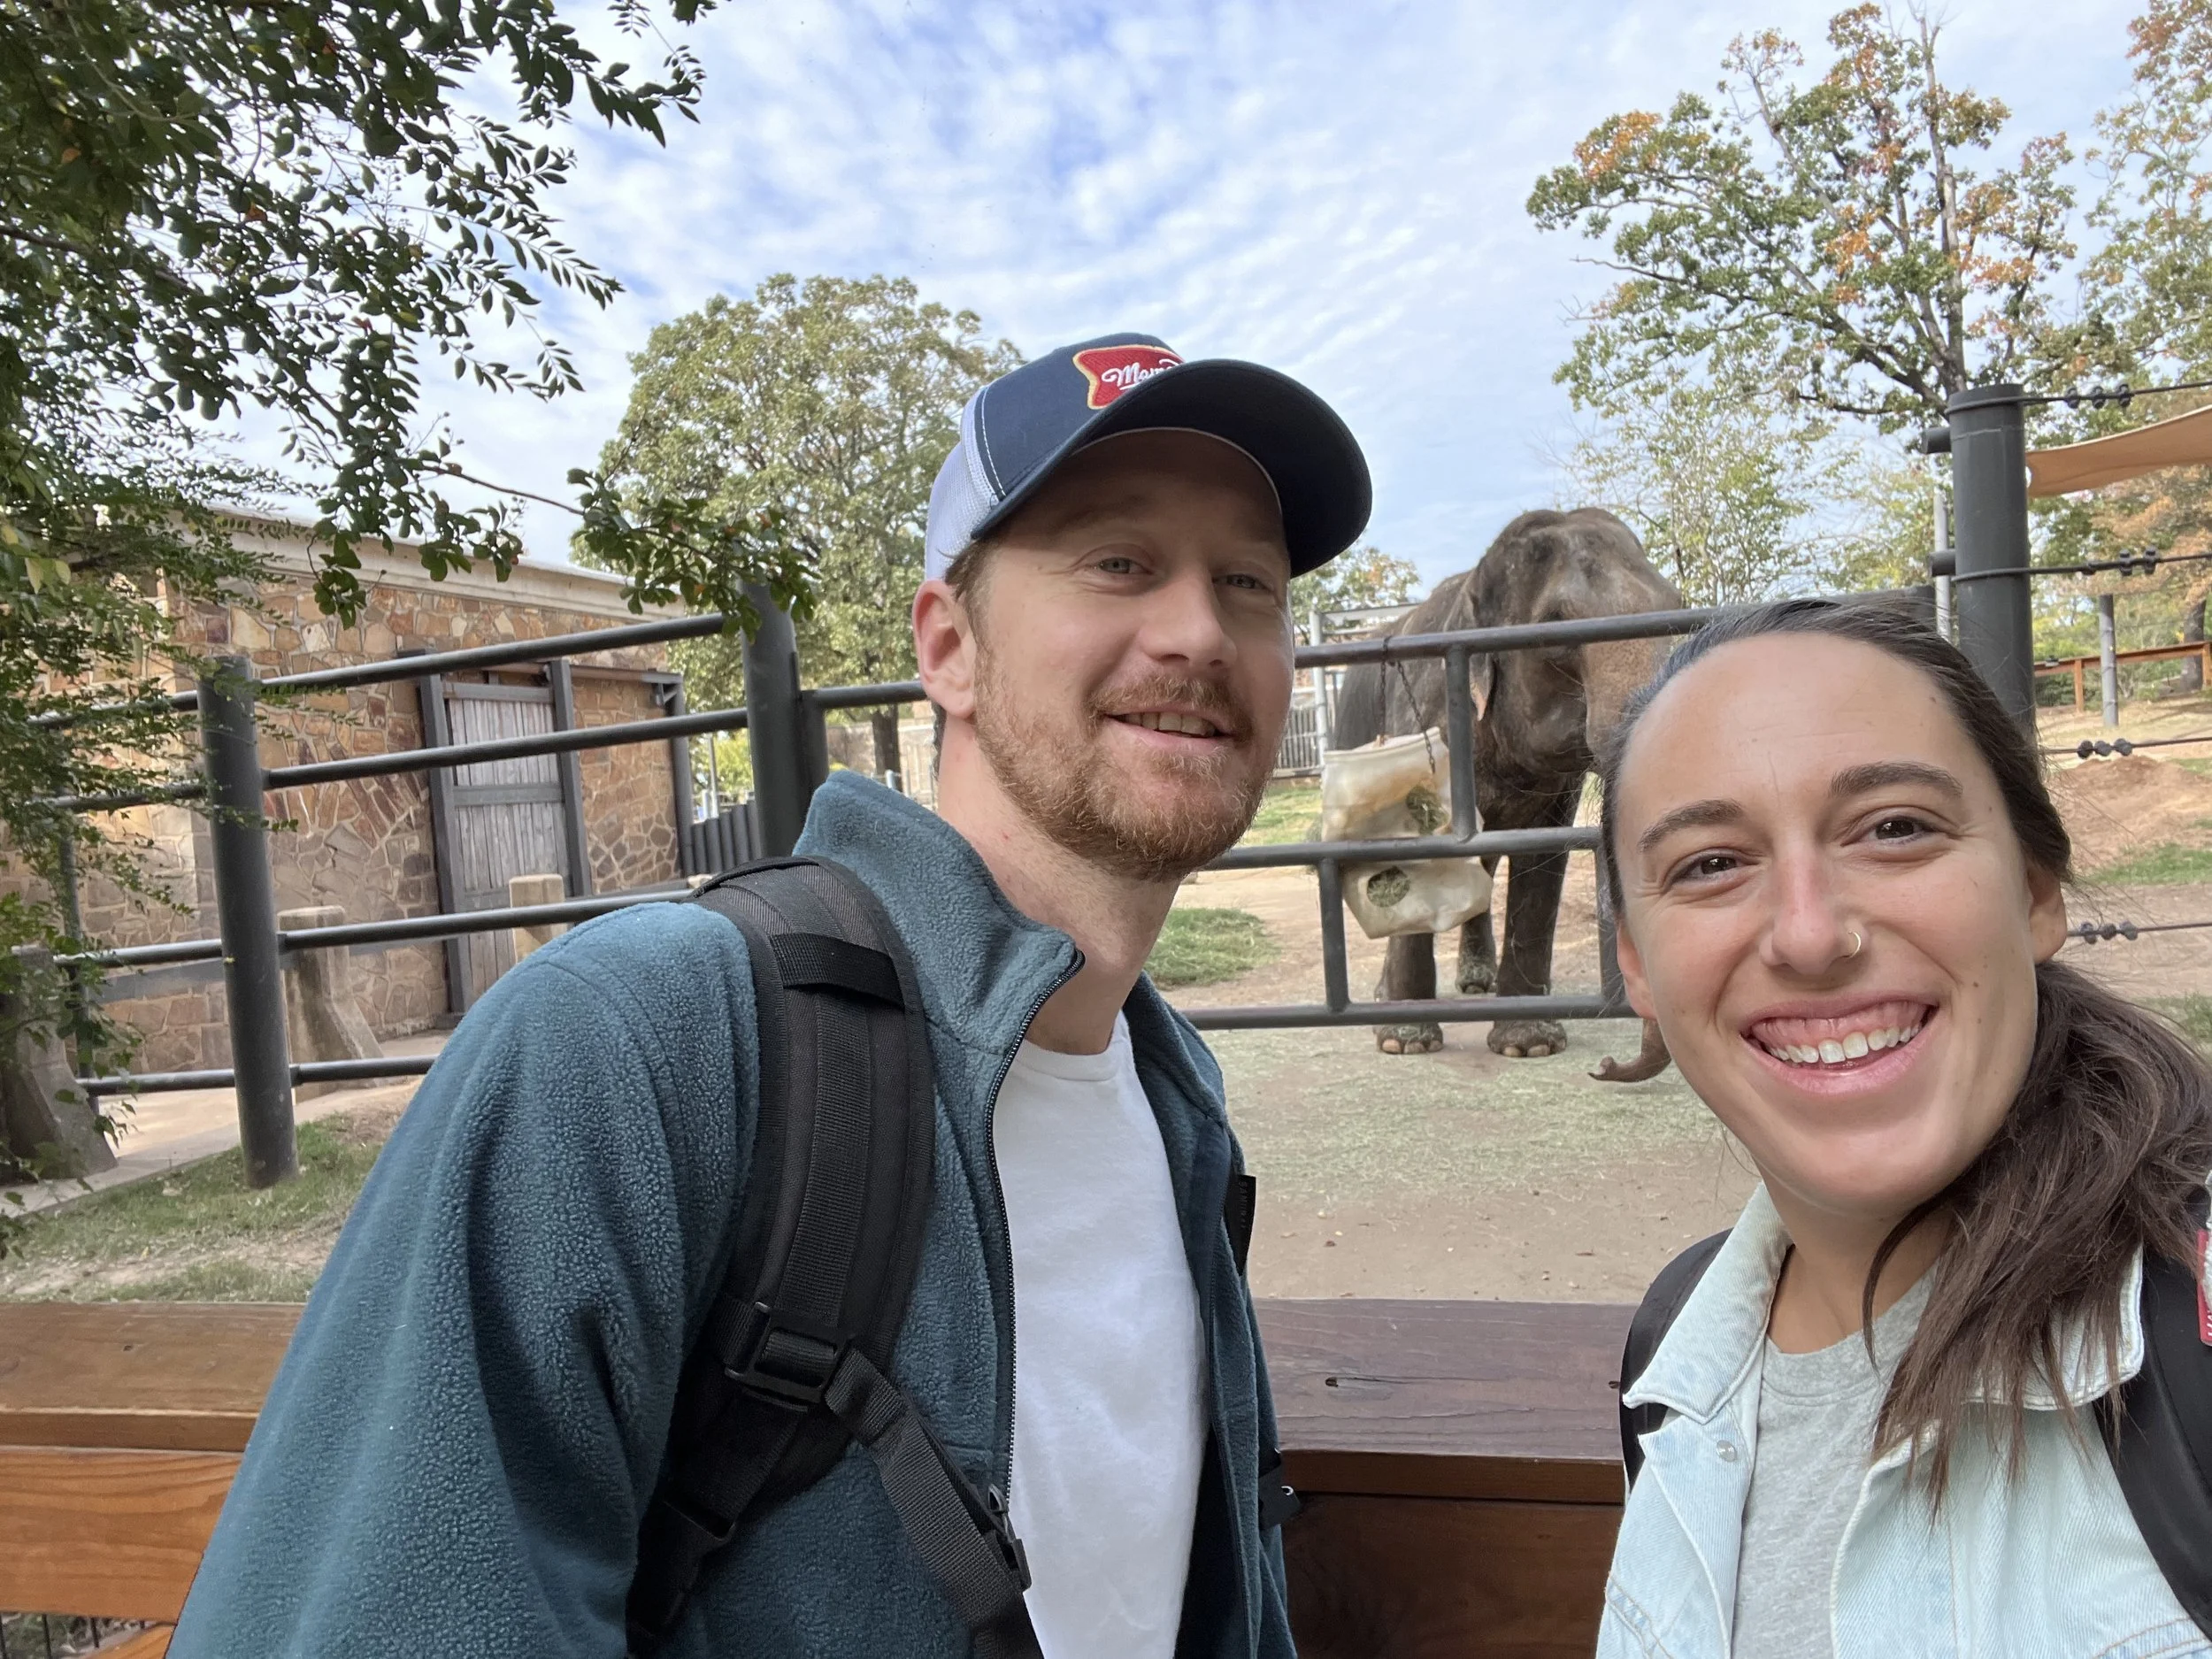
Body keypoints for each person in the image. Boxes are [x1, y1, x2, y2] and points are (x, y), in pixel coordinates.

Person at [168, 334, 1371, 1659]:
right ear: (949, 646)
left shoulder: (1170, 1089)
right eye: (1120, 561)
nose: (1199, 628)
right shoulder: (635, 1044)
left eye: (1249, 580)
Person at [1595, 598, 2212, 1659]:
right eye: (1709, 863)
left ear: (2032, 893)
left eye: (1894, 829)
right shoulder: (1676, 1357)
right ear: (1639, 969)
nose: (1807, 933)